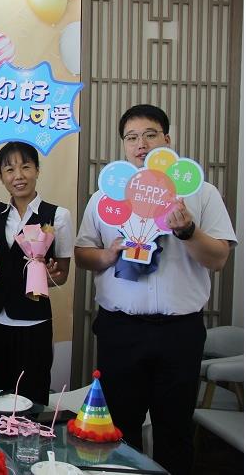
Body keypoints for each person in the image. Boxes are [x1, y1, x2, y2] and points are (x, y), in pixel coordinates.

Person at [74, 104, 236, 475]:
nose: (141, 144)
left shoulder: (200, 193)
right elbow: (83, 255)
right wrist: (108, 254)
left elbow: (218, 259)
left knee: (175, 430)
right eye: (131, 137)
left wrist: (188, 231)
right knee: (117, 430)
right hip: (120, 330)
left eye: (150, 134)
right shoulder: (106, 197)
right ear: (123, 146)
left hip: (179, 333)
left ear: (167, 139)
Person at [0, 139, 73, 406]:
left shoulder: (58, 216)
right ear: (1, 176)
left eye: (25, 167)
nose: (18, 176)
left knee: (31, 400)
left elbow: (62, 274)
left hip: (33, 325)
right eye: (9, 169)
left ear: (37, 170)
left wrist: (48, 274)